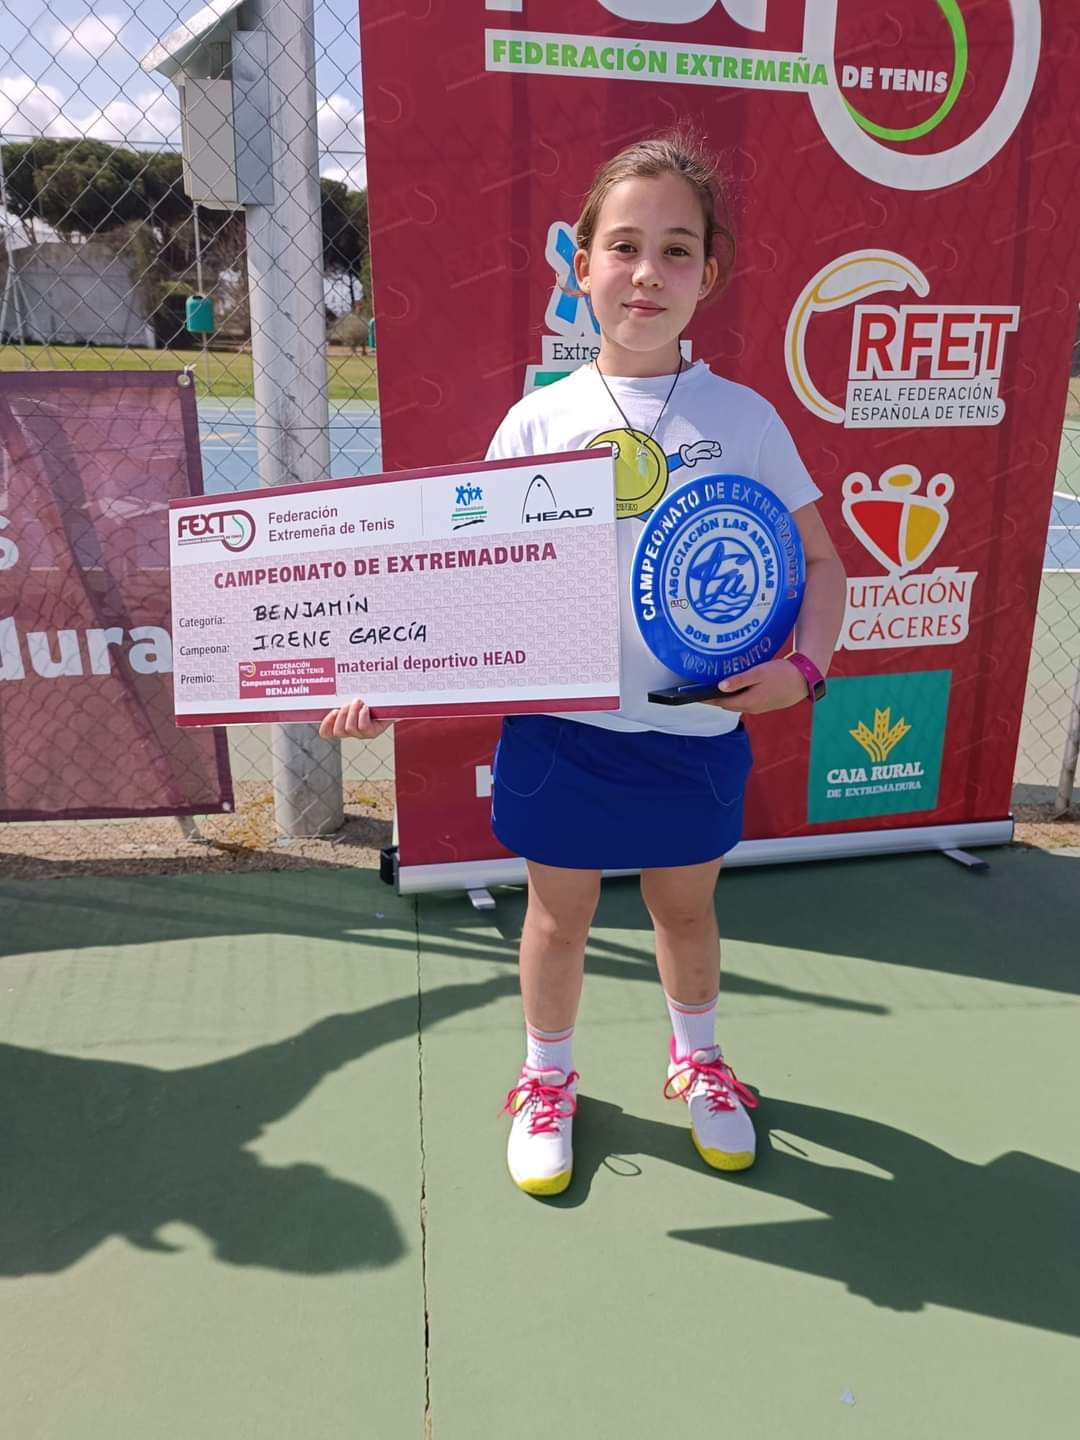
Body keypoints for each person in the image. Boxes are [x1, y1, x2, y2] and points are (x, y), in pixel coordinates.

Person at [319, 131, 846, 1198]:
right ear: (583, 265)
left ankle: (698, 1059)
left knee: (685, 913)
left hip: (696, 735)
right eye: (625, 246)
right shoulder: (537, 421)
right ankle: (546, 1076)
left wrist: (807, 669)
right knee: (557, 920)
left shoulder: (746, 420)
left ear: (709, 274)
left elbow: (825, 563)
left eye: (677, 250)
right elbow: (473, 584)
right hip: (564, 737)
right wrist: (395, 682)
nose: (648, 272)